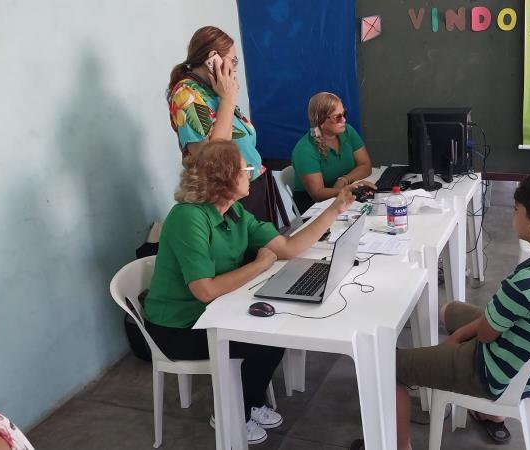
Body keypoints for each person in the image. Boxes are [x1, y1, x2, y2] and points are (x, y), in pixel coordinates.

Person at [351, 172, 530, 450]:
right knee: (452, 311)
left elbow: (486, 335)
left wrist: (456, 340)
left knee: (388, 367)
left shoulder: (525, 283)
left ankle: (399, 446)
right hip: (526, 363)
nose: (513, 214)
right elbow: (495, 321)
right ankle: (491, 414)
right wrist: (459, 335)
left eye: (516, 210)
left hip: (492, 372)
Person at [144, 140, 356, 444]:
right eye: (244, 169)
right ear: (223, 177)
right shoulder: (188, 218)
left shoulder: (233, 211)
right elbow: (205, 290)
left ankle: (250, 401)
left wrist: (336, 208)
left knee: (274, 336)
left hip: (215, 311)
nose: (251, 172)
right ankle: (231, 414)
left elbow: (288, 248)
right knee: (260, 342)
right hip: (178, 326)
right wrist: (259, 265)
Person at [167, 26, 276, 223]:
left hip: (250, 184)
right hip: (229, 192)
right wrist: (228, 98)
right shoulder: (186, 94)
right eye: (233, 60)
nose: (234, 67)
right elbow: (214, 156)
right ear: (213, 59)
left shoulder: (213, 89)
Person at [291, 92, 374, 213]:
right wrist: (348, 190)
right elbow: (318, 194)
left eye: (344, 114)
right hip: (312, 206)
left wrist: (343, 180)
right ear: (320, 121)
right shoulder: (304, 150)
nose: (344, 120)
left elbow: (366, 165)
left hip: (341, 195)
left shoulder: (348, 131)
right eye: (337, 117)